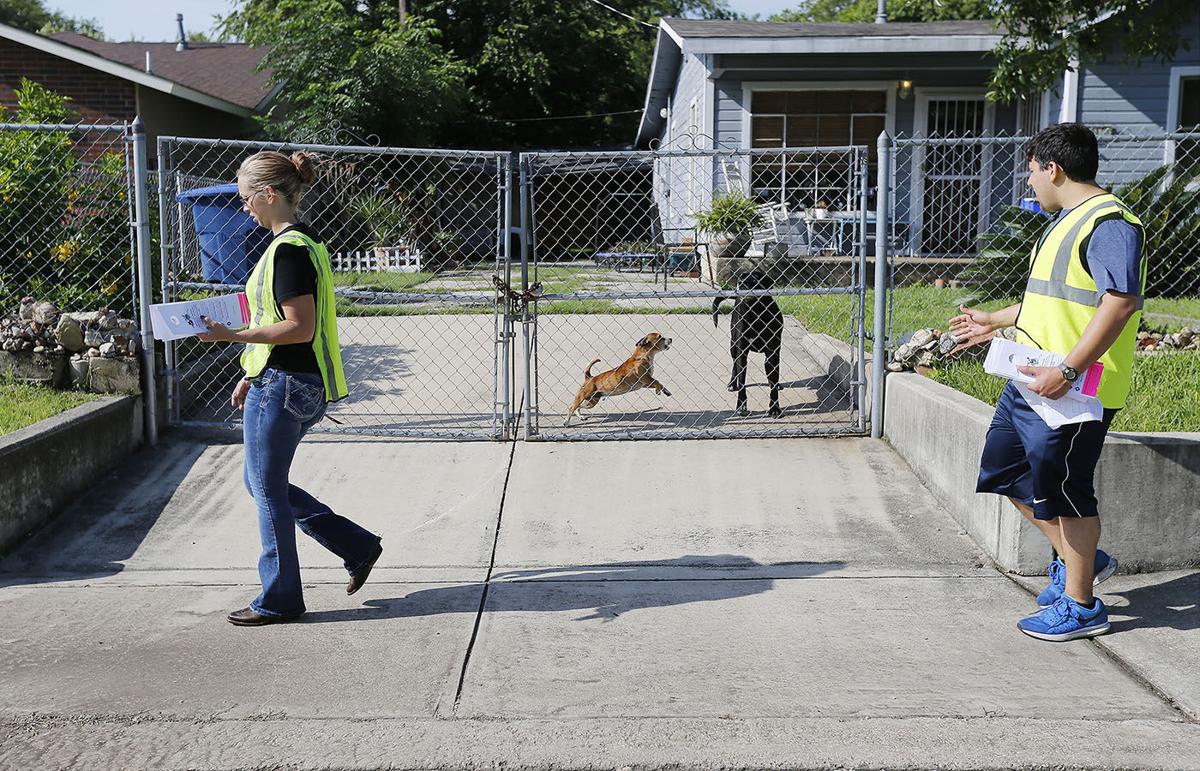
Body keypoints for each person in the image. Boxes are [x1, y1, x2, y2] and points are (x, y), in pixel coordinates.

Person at [949, 122, 1147, 642]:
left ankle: (1082, 604)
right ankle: (1079, 558)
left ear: (1053, 169)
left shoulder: (1110, 223)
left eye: (1032, 171)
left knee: (1066, 495)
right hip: (1032, 381)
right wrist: (995, 320)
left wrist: (1069, 370)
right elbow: (1054, 298)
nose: (1029, 181)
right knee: (1004, 472)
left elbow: (1120, 303)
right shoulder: (1068, 220)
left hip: (1074, 390)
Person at [196, 150, 382, 626]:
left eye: (246, 200)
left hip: (285, 386)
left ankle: (280, 598)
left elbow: (298, 328)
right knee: (261, 483)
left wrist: (230, 337)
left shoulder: (288, 250)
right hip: (287, 381)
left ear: (270, 194)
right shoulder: (303, 242)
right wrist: (249, 370)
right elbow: (280, 325)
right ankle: (355, 545)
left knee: (266, 489)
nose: (244, 209)